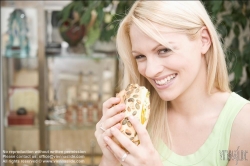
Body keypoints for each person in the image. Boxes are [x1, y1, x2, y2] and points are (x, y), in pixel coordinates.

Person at [95, 1, 250, 166]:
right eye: (140, 56)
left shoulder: (243, 124)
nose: (150, 71)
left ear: (203, 40)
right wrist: (111, 158)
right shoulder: (136, 121)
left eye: (164, 50)